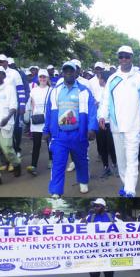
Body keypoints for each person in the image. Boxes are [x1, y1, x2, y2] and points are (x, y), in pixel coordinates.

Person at [98, 45, 140, 197]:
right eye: (121, 56)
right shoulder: (112, 79)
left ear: (132, 58)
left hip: (134, 125)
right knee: (121, 162)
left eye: (127, 56)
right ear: (118, 58)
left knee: (132, 159)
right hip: (116, 125)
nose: (124, 59)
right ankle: (126, 186)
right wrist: (102, 116)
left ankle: (130, 190)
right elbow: (105, 101)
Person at [43, 61, 97, 198]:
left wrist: (92, 128)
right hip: (60, 135)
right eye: (66, 71)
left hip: (78, 134)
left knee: (81, 160)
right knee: (58, 163)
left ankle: (83, 181)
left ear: (76, 73)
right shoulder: (55, 91)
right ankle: (56, 190)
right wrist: (46, 130)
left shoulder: (84, 90)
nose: (68, 73)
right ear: (62, 73)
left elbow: (92, 110)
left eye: (71, 71)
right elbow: (48, 113)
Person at [24, 69, 52, 176]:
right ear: (38, 78)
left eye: (44, 77)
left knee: (50, 142)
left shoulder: (51, 90)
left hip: (47, 120)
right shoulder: (34, 90)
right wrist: (27, 113)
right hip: (36, 120)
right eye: (41, 77)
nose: (42, 79)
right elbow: (29, 104)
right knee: (36, 144)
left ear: (47, 78)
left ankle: (51, 161)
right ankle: (33, 165)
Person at [86, 198, 115, 277]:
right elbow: (81, 229)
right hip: (94, 253)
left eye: (97, 206)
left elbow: (123, 228)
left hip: (108, 252)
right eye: (94, 206)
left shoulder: (111, 217)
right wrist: (84, 220)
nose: (95, 207)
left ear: (103, 207)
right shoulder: (91, 217)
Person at [94, 71, 117, 178]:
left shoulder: (112, 91)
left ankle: (116, 166)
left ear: (104, 80)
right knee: (102, 146)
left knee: (111, 146)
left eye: (100, 78)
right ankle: (106, 167)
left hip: (110, 123)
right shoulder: (99, 90)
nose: (99, 80)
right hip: (99, 121)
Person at [8, 58, 30, 158]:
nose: (10, 67)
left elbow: (26, 90)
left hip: (18, 106)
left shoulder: (20, 74)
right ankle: (7, 152)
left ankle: (17, 149)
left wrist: (23, 103)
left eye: (11, 65)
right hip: (5, 107)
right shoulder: (2, 74)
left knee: (17, 128)